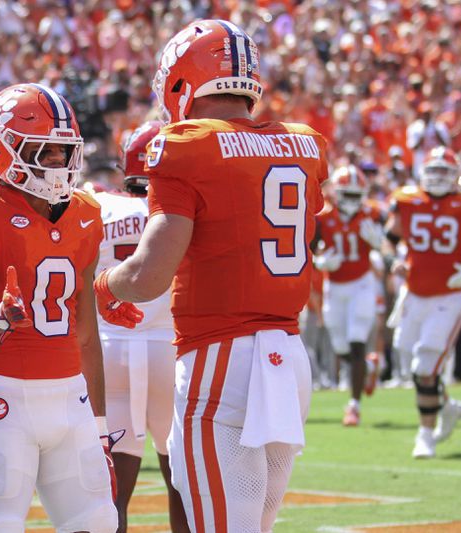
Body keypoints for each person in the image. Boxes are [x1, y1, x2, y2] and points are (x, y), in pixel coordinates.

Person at [93, 20, 325, 531]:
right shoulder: (305, 144)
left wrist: (105, 286)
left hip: (222, 360)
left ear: (180, 81)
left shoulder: (187, 143)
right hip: (288, 358)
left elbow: (151, 275)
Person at [0, 83, 118, 533]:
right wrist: (0, 313)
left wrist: (99, 424)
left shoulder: (85, 213)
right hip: (2, 397)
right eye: (43, 151)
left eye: (63, 151)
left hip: (70, 397)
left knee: (97, 523)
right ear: (1, 150)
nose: (58, 163)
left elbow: (86, 334)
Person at [94, 120, 188, 533]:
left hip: (111, 348)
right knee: (182, 483)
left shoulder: (95, 206)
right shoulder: (179, 211)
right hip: (171, 348)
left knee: (112, 492)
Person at [384, 146, 461, 458]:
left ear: (456, 176)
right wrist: (394, 260)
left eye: (443, 172)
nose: (436, 178)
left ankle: (425, 435)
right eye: (432, 171)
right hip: (415, 292)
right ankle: (446, 406)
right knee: (410, 361)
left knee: (425, 362)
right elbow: (389, 241)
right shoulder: (406, 201)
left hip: (449, 294)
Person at [313, 165, 382, 426]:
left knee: (355, 342)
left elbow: (389, 241)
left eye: (356, 195)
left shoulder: (372, 214)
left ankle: (353, 406)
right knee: (342, 348)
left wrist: (378, 242)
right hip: (335, 286)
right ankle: (368, 366)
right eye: (347, 195)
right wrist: (320, 262)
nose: (352, 201)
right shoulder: (323, 218)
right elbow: (307, 249)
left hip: (362, 284)